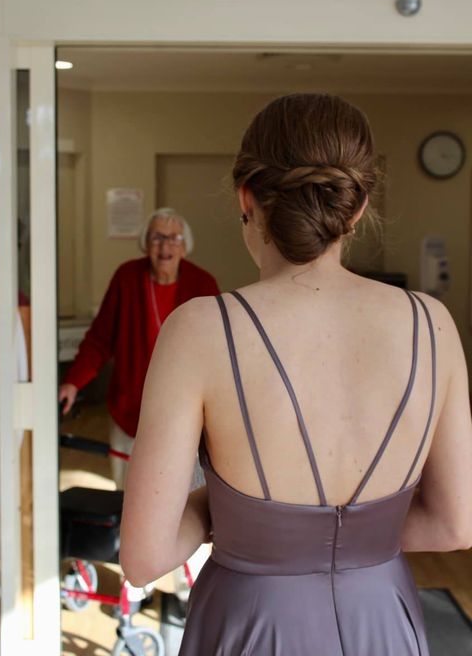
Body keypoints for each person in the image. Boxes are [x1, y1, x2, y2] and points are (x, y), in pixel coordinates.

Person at [120, 94, 472, 655]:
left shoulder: (200, 329)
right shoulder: (432, 324)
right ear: (356, 208)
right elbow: (456, 526)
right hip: (383, 617)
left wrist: (234, 513)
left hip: (252, 622)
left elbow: (143, 556)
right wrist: (354, 540)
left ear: (245, 198)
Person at [59, 207, 220, 488]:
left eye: (174, 238)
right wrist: (74, 382)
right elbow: (100, 338)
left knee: (183, 491)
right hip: (130, 406)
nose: (165, 246)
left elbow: (218, 350)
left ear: (185, 247)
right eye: (157, 237)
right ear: (146, 243)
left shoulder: (202, 284)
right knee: (128, 489)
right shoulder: (127, 278)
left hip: (186, 412)